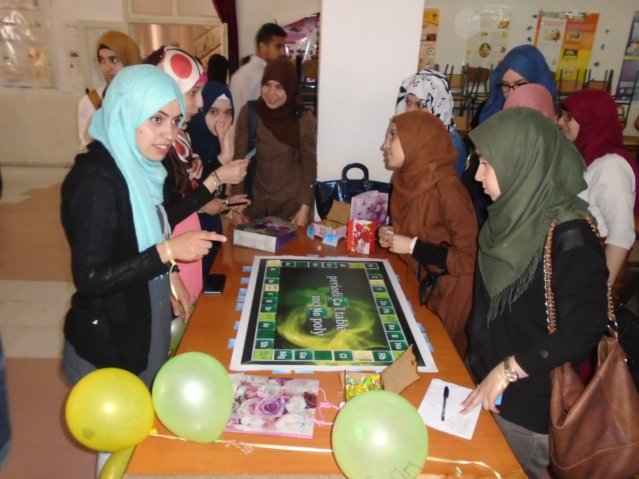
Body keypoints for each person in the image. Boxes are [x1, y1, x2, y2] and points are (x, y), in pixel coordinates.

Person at [461, 108, 608, 477]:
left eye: (487, 164)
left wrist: (509, 370)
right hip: (484, 381)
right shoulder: (509, 217)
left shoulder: (571, 236)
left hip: (524, 406)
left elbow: (584, 329)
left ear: (522, 163)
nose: (477, 175)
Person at [61, 65, 226, 391]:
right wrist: (168, 252)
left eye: (175, 121)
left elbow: (153, 226)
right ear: (127, 110)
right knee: (125, 419)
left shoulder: (140, 167)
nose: (169, 133)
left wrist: (169, 273)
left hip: (140, 318)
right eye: (156, 119)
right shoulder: (96, 179)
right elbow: (91, 278)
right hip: (110, 343)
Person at [145, 46, 247, 300]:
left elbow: (191, 191)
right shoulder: (163, 147)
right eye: (193, 93)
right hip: (175, 244)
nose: (199, 103)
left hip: (184, 241)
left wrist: (223, 200)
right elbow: (168, 212)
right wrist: (217, 179)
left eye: (228, 112)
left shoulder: (182, 141)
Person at [378, 110, 477, 357]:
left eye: (393, 136)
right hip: (425, 280)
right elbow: (424, 230)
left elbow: (469, 258)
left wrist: (412, 246)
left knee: (442, 358)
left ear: (417, 141)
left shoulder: (447, 188)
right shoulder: (406, 179)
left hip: (452, 292)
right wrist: (394, 234)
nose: (385, 145)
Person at [557, 89, 638, 285]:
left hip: (591, 263)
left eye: (570, 117)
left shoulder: (611, 167)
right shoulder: (584, 156)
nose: (561, 122)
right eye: (562, 115)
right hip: (574, 254)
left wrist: (602, 290)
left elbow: (622, 234)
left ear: (591, 120)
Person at [233, 57, 317, 227]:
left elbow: (309, 167)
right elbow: (239, 160)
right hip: (254, 208)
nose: (271, 93)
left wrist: (305, 208)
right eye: (267, 84)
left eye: (279, 87)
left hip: (292, 210)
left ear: (290, 88)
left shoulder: (303, 119)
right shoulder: (250, 113)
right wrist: (235, 206)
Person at [188, 80, 251, 277]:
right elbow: (186, 196)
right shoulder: (186, 145)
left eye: (228, 113)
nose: (222, 119)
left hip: (210, 232)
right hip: (187, 237)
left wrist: (227, 205)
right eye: (213, 112)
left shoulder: (217, 143)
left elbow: (210, 193)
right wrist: (222, 159)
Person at [395, 69, 467, 176]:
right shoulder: (415, 133)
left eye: (420, 105)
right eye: (408, 102)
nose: (410, 111)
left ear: (438, 105)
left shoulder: (450, 145)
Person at [77, 30, 142, 150]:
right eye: (101, 60)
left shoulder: (146, 97)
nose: (107, 68)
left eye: (114, 60)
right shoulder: (91, 101)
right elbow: (85, 148)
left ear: (129, 59)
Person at [474, 44, 556, 126]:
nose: (511, 94)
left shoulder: (550, 120)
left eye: (520, 85)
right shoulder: (488, 111)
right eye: (505, 85)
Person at [229, 22, 287, 121]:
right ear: (262, 47)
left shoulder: (239, 73)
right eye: (278, 47)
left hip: (238, 129)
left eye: (283, 47)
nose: (283, 52)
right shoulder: (265, 76)